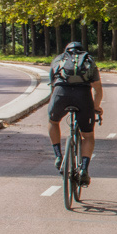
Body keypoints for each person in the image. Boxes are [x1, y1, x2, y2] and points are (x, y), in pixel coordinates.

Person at [47, 40, 104, 183]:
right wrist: (96, 107)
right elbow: (98, 89)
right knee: (88, 136)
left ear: (66, 50)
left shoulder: (58, 59)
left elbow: (52, 86)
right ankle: (84, 169)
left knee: (53, 122)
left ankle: (58, 155)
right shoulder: (89, 61)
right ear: (82, 51)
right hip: (83, 97)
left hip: (61, 94)